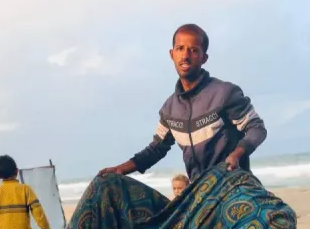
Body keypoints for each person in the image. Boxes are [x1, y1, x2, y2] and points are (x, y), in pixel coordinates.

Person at [100, 24, 267, 179]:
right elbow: (156, 149)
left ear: (204, 58)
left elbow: (257, 128)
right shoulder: (169, 110)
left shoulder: (225, 93)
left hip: (233, 183)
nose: (185, 56)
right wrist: (120, 169)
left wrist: (237, 154)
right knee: (106, 185)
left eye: (194, 50)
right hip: (196, 193)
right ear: (172, 54)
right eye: (180, 49)